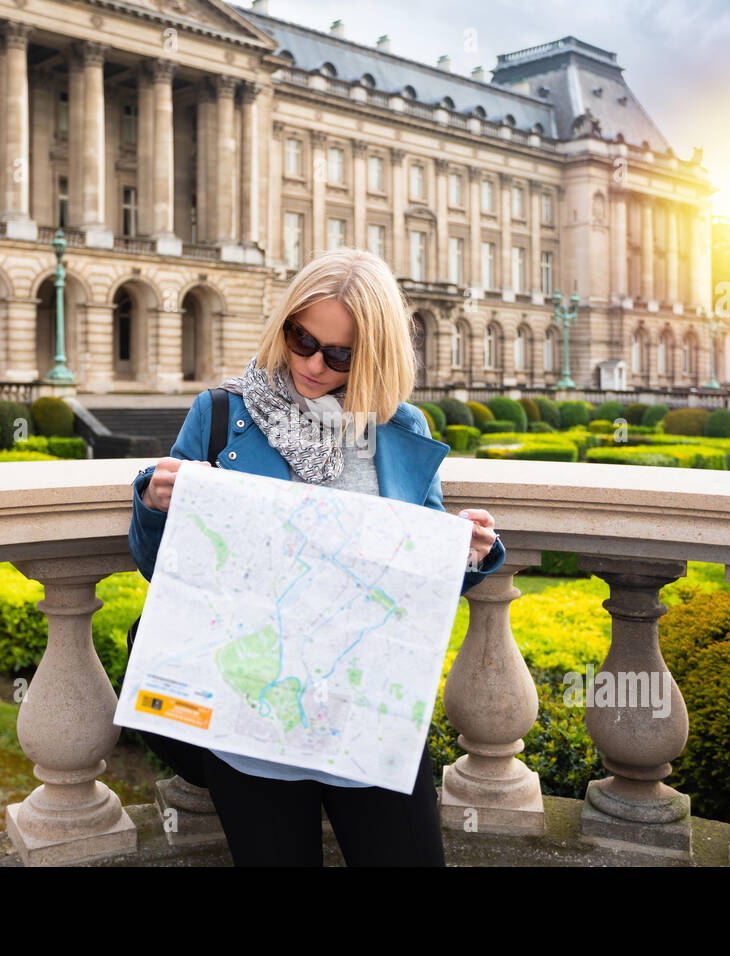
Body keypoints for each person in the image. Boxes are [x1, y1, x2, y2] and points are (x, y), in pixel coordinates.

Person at [127, 247, 506, 866]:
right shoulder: (223, 413)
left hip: (366, 721)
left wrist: (465, 550)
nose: (311, 363)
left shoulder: (399, 425)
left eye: (338, 354)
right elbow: (159, 568)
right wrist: (153, 501)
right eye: (302, 339)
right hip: (251, 722)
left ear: (373, 353)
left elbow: (416, 587)